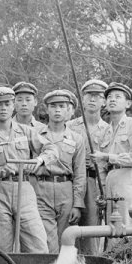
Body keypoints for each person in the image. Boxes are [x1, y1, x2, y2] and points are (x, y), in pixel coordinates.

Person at [0, 86, 56, 252]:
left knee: (37, 244)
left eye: (7, 104)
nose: (3, 108)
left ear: (13, 106)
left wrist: (38, 160)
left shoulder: (26, 131)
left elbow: (52, 150)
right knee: (2, 246)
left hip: (24, 189)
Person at [33, 90, 86, 252]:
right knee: (47, 241)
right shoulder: (35, 135)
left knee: (67, 239)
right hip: (42, 189)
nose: (57, 110)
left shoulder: (77, 139)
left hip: (66, 190)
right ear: (46, 109)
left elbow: (80, 173)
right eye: (53, 106)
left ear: (69, 110)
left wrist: (77, 204)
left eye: (62, 106)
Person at [91, 83, 132, 224]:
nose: (112, 100)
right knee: (111, 229)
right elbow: (101, 167)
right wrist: (101, 192)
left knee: (127, 228)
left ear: (128, 103)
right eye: (109, 97)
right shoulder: (104, 131)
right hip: (110, 182)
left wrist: (108, 157)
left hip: (128, 180)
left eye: (117, 97)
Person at [67, 79, 110, 255]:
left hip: (94, 183)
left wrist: (104, 190)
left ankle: (90, 263)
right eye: (88, 95)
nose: (92, 99)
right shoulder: (69, 126)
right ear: (82, 99)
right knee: (68, 227)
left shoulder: (109, 129)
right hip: (71, 182)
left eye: (97, 96)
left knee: (91, 230)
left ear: (104, 101)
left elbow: (109, 164)